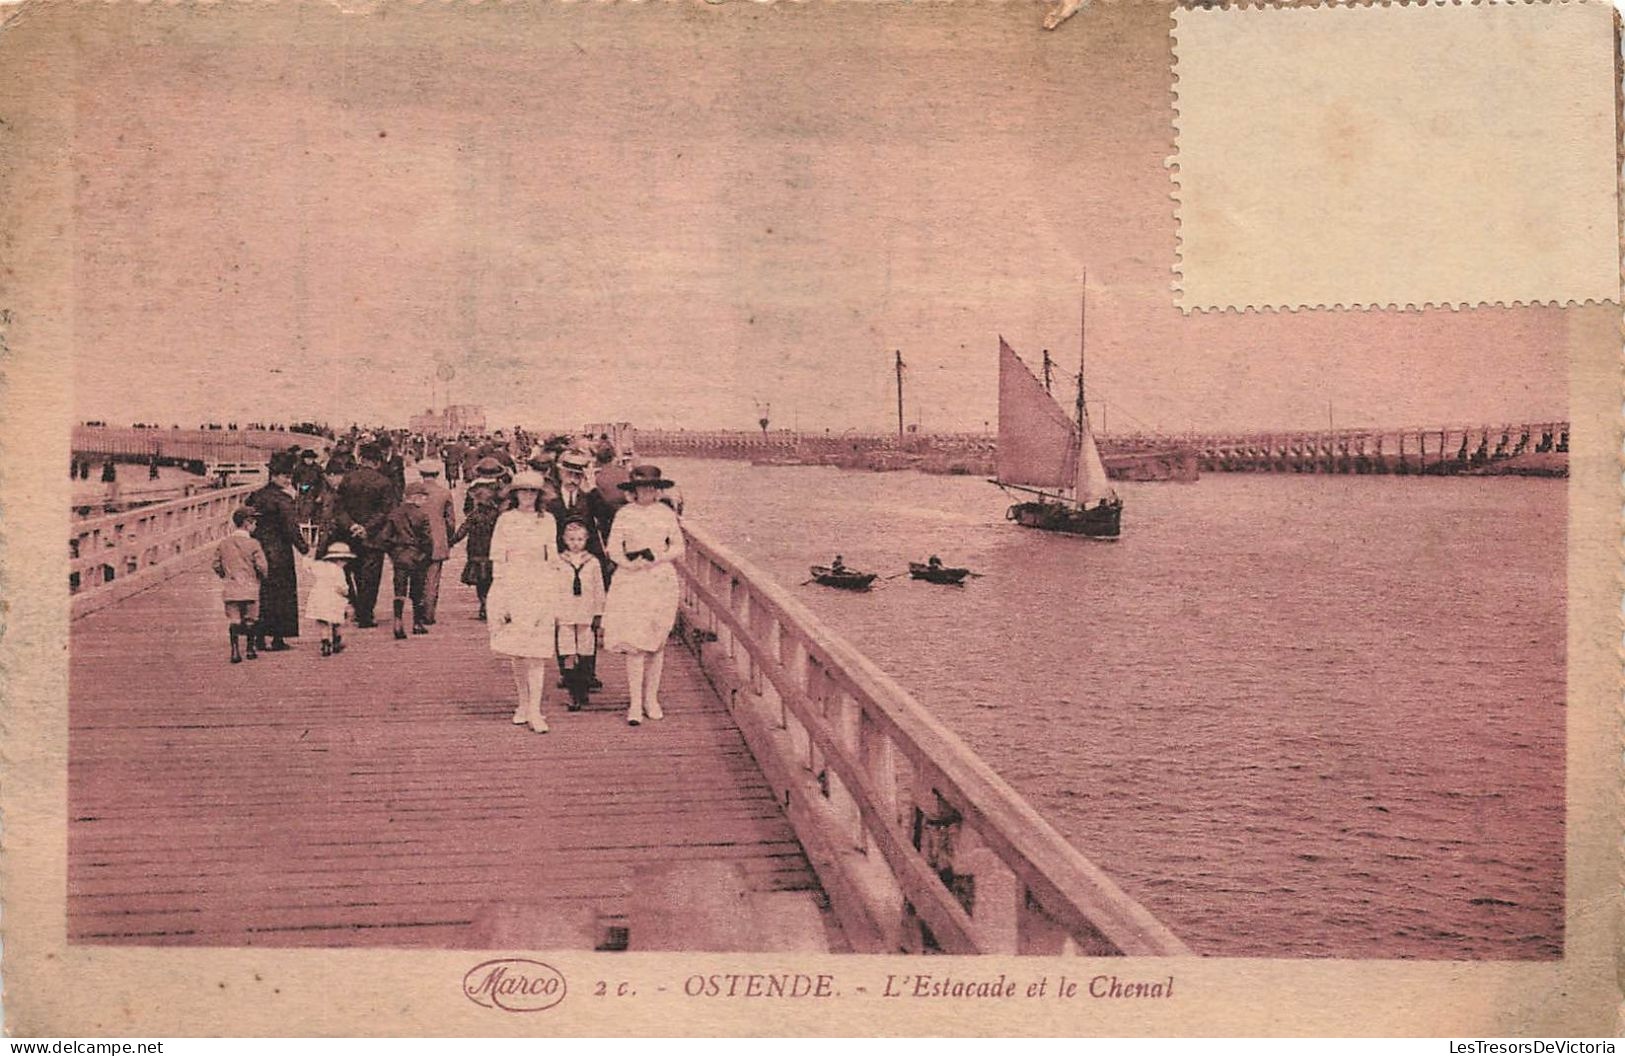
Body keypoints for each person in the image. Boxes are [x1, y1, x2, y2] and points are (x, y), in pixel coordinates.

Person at [601, 465, 685, 727]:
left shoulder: (665, 514)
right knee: (634, 643)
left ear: (657, 490)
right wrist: (629, 563)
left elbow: (679, 545)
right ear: (633, 491)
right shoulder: (625, 514)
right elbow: (613, 548)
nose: (646, 492)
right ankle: (635, 702)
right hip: (632, 580)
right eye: (641, 488)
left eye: (651, 488)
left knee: (656, 641)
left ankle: (652, 698)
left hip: (659, 578)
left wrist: (659, 557)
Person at [487, 471, 559, 733]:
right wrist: (501, 595)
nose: (527, 496)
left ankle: (536, 711)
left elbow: (552, 556)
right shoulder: (506, 520)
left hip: (540, 584)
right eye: (523, 491)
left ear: (539, 495)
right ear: (514, 493)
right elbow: (498, 557)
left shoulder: (547, 520)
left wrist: (552, 589)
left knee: (537, 652)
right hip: (513, 584)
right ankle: (523, 703)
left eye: (532, 492)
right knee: (518, 650)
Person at [246, 452, 310, 651]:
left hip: (258, 549)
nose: (288, 479)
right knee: (281, 595)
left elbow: (244, 517)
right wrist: (304, 548)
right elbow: (291, 527)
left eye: (289, 476)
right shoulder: (283, 500)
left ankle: (258, 636)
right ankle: (277, 638)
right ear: (274, 475)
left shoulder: (256, 496)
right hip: (279, 552)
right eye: (284, 476)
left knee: (261, 593)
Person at [334, 443, 396, 627]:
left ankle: (355, 605)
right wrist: (366, 528)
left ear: (361, 460)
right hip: (373, 537)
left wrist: (352, 525)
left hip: (349, 536)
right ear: (377, 462)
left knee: (352, 573)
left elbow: (339, 509)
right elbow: (385, 512)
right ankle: (366, 614)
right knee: (371, 576)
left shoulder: (347, 479)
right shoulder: (384, 483)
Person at [555, 517, 607, 713]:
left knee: (586, 648)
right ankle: (572, 691)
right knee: (567, 649)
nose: (575, 543)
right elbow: (554, 588)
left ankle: (584, 686)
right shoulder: (559, 562)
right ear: (564, 540)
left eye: (579, 539)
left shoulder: (592, 563)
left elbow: (598, 588)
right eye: (571, 539)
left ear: (586, 540)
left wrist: (599, 612)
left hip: (585, 611)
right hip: (565, 610)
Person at [379, 481, 435, 640]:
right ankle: (417, 623)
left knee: (399, 590)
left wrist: (393, 553)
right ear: (416, 497)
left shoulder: (394, 514)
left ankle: (398, 621)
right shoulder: (421, 515)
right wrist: (427, 555)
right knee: (417, 591)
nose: (425, 501)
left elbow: (385, 537)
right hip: (417, 556)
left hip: (399, 556)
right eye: (424, 497)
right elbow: (427, 540)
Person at [212, 507, 267, 664]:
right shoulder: (254, 544)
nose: (255, 526)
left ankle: (235, 651)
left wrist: (224, 574)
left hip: (231, 587)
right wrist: (262, 577)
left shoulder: (224, 543)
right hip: (250, 587)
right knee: (251, 619)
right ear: (247, 524)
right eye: (254, 522)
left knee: (234, 620)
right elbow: (262, 566)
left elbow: (216, 564)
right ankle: (250, 649)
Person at [414, 459, 457, 625]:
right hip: (438, 540)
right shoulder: (444, 493)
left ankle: (418, 612)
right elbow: (451, 521)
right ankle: (429, 614)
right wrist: (449, 538)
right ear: (437, 475)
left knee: (417, 577)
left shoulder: (413, 492)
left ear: (421, 474)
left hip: (416, 540)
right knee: (433, 579)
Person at [451, 483, 502, 621]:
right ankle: (488, 604)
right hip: (492, 552)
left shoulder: (474, 515)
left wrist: (451, 542)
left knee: (480, 582)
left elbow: (462, 530)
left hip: (476, 552)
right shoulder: (497, 515)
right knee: (491, 580)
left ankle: (483, 603)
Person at [306, 541, 354, 657]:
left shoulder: (320, 566)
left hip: (318, 597)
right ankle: (337, 641)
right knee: (337, 622)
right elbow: (342, 587)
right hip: (333, 599)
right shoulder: (338, 571)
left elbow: (308, 566)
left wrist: (309, 557)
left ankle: (325, 642)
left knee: (323, 623)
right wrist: (346, 593)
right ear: (340, 560)